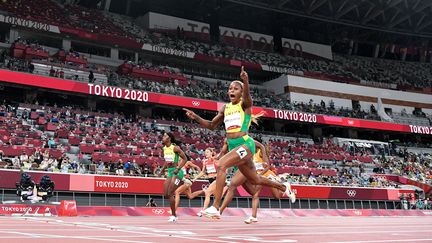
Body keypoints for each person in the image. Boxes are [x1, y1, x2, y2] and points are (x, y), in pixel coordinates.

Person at [184, 66, 290, 219]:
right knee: (255, 179)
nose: (231, 91)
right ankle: (282, 186)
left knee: (220, 165)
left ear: (241, 92)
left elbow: (248, 97)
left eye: (235, 88)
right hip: (234, 146)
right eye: (230, 88)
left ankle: (215, 207)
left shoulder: (244, 105)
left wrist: (245, 81)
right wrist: (196, 118)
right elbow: (212, 125)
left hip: (246, 145)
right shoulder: (225, 108)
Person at [219, 138, 296, 223]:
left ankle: (284, 187)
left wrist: (260, 173)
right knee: (255, 194)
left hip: (265, 175)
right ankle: (254, 216)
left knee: (276, 196)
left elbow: (267, 166)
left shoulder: (258, 150)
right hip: (252, 173)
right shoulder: (244, 149)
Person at [158, 132, 188, 222]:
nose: (163, 137)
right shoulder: (164, 148)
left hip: (177, 172)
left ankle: (174, 215)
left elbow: (185, 159)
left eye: (165, 136)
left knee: (170, 193)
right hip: (170, 172)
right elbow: (167, 161)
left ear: (169, 138)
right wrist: (162, 170)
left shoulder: (175, 148)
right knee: (166, 194)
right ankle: (174, 214)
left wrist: (178, 168)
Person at [194, 148, 227, 217]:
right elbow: (203, 172)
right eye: (205, 152)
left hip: (216, 178)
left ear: (211, 153)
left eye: (207, 152)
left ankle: (203, 210)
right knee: (217, 196)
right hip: (210, 179)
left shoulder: (215, 160)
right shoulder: (205, 161)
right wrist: (196, 177)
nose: (206, 153)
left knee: (208, 192)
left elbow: (222, 166)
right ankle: (217, 212)